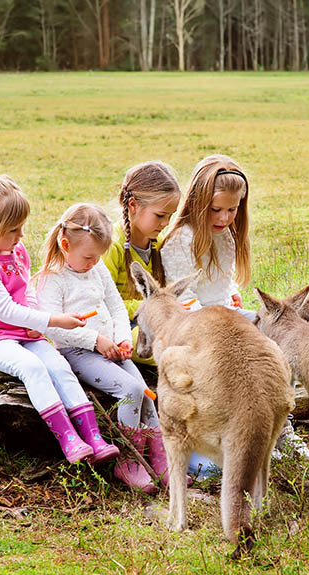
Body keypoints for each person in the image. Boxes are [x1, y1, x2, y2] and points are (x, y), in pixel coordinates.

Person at [0, 166, 119, 466]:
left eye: (21, 227)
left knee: (58, 364)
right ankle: (67, 438)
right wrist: (53, 320)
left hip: (20, 330)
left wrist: (35, 318)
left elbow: (25, 292)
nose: (21, 236)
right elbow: (4, 309)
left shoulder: (16, 251)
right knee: (32, 367)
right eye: (12, 230)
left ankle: (92, 435)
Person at [160, 155, 309, 461]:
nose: (224, 217)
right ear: (198, 202)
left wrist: (232, 295)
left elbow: (224, 280)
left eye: (232, 209)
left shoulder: (226, 236)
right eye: (216, 210)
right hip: (196, 321)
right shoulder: (181, 240)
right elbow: (184, 293)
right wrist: (225, 316)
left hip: (223, 312)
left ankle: (281, 428)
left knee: (278, 338)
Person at [35, 202, 171, 494]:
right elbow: (52, 326)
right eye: (88, 256)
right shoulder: (53, 278)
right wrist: (96, 340)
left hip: (111, 348)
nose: (94, 263)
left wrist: (122, 338)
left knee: (147, 394)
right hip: (79, 352)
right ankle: (128, 462)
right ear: (65, 243)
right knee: (132, 390)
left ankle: (160, 462)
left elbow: (116, 307)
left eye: (98, 256)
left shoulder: (96, 270)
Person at [102, 161, 220, 479]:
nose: (165, 224)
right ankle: (187, 451)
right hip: (115, 332)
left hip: (145, 327)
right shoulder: (110, 244)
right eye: (160, 216)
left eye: (169, 216)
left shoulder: (153, 246)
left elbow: (162, 296)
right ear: (132, 205)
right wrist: (149, 309)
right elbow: (99, 299)